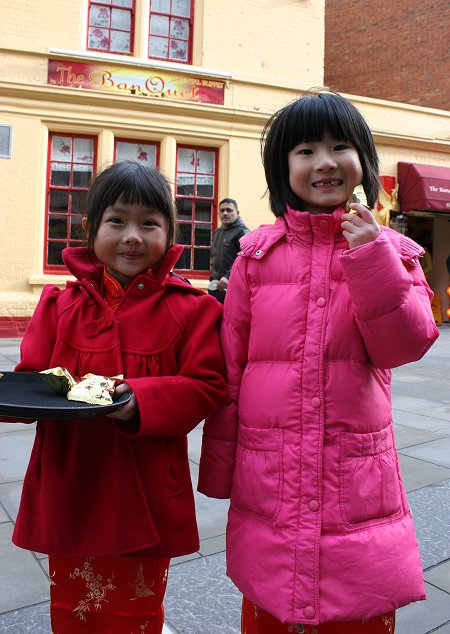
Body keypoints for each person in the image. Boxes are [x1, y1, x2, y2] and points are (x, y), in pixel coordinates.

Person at [198, 90, 440, 633]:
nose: (325, 162)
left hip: (354, 477)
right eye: (305, 151)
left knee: (355, 609)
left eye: (339, 146)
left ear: (364, 162)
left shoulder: (396, 253)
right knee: (272, 606)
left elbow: (405, 344)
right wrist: (220, 466)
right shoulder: (255, 257)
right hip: (270, 478)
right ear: (283, 167)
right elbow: (231, 368)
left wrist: (372, 256)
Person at [7, 161, 227, 633]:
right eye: (117, 221)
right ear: (90, 229)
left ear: (170, 232)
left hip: (144, 482)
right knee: (73, 606)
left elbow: (207, 385)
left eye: (149, 223)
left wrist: (139, 401)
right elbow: (33, 380)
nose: (132, 236)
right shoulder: (58, 304)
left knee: (136, 611)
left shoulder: (193, 309)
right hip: (73, 477)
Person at [208, 198, 250, 303]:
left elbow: (245, 258)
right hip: (215, 286)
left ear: (237, 212)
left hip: (233, 288)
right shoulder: (217, 232)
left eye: (229, 210)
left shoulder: (243, 232)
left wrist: (228, 276)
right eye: (222, 210)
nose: (225, 213)